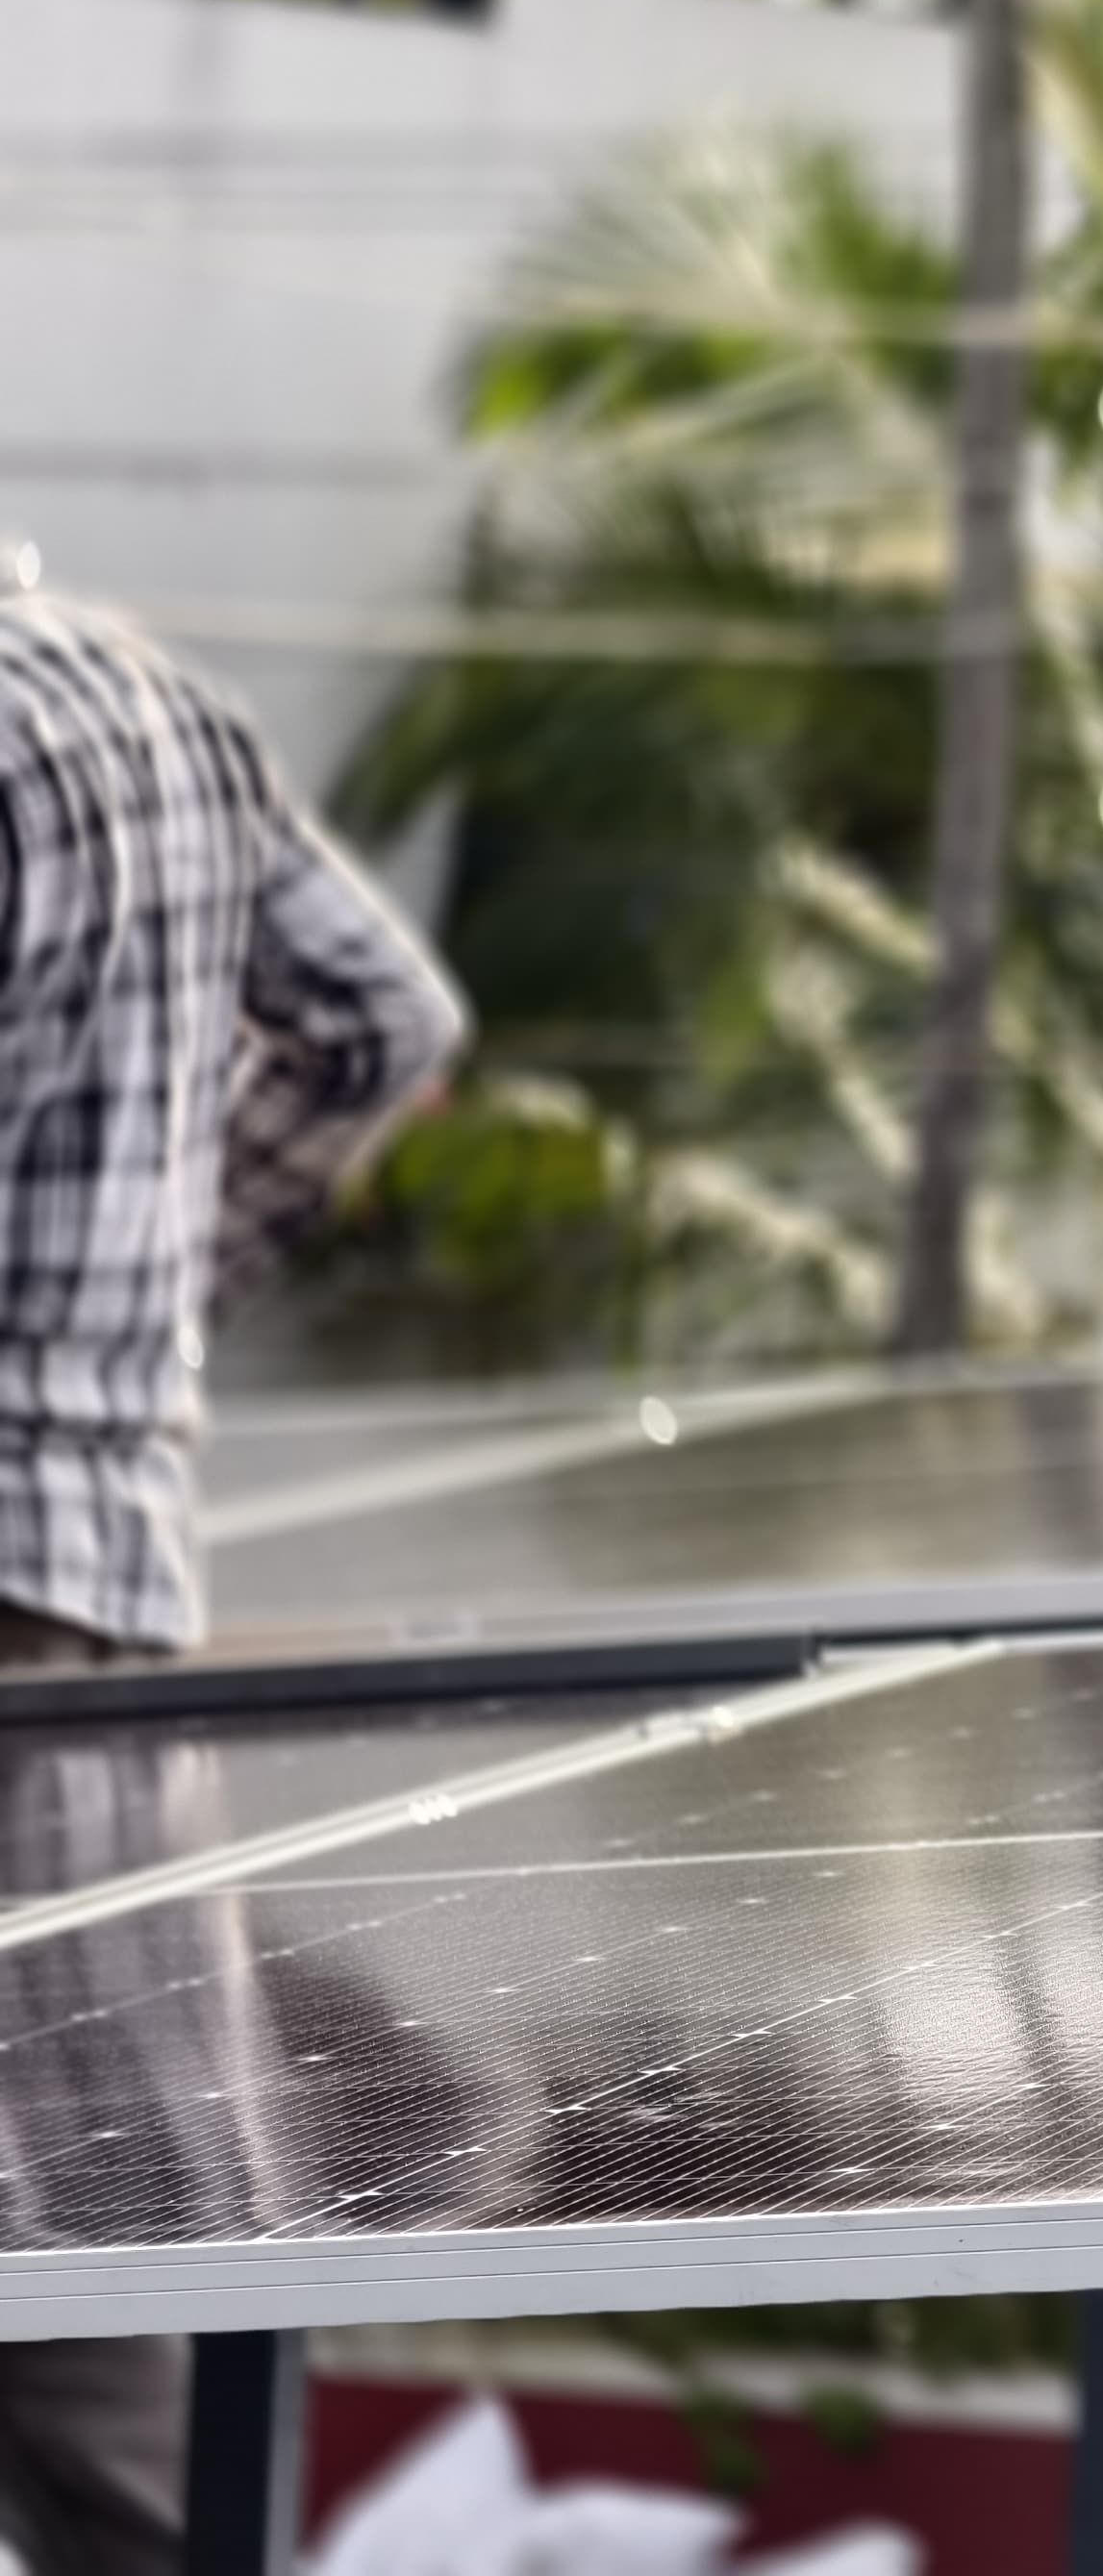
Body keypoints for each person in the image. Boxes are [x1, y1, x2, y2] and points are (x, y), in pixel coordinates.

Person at [0, 587, 464, 2576]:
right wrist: (149, 1292)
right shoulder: (155, 706)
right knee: (110, 2249)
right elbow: (390, 1027)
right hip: (105, 1585)